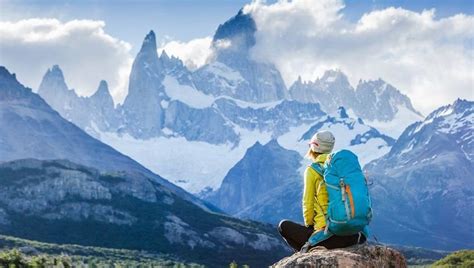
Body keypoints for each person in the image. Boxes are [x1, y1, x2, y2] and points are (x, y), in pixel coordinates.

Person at [278, 130, 366, 252]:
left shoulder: (312, 170)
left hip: (328, 236)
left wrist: (310, 226)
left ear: (313, 147)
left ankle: (307, 254)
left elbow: (307, 205)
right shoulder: (340, 168)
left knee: (283, 226)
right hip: (355, 235)